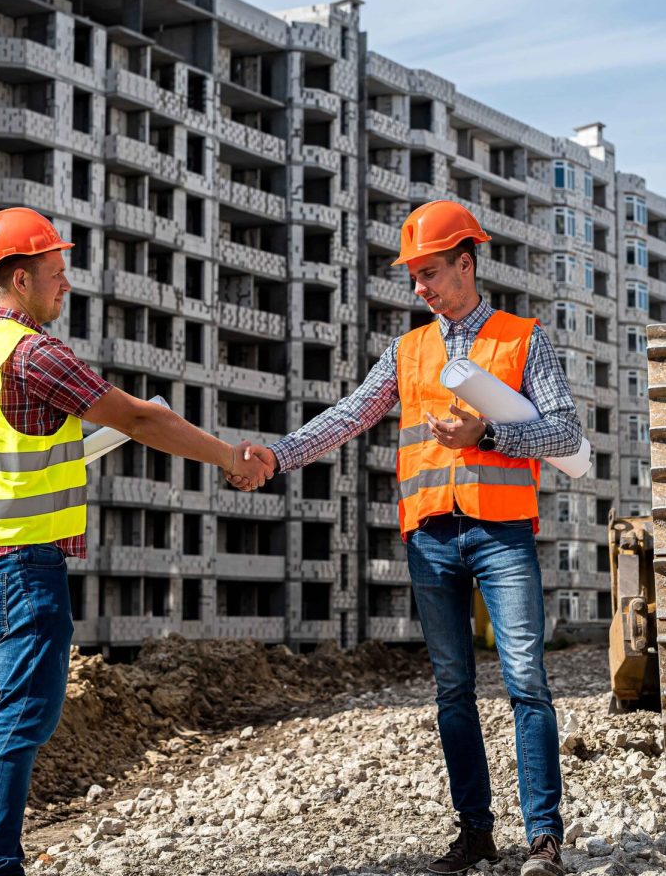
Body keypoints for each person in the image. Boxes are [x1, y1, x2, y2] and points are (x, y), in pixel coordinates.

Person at [228, 199, 582, 876]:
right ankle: (475, 836)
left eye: (430, 272)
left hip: (502, 535)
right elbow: (349, 415)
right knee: (453, 689)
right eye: (413, 275)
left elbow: (564, 434)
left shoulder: (521, 338)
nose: (419, 286)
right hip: (431, 540)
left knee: (527, 681)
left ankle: (545, 840)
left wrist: (493, 433)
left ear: (466, 264)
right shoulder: (407, 350)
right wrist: (279, 455)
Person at [0, 207, 273, 876]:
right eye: (56, 274)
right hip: (21, 563)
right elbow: (140, 418)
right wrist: (229, 457)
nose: (67, 286)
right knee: (18, 716)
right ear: (19, 278)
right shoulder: (33, 353)